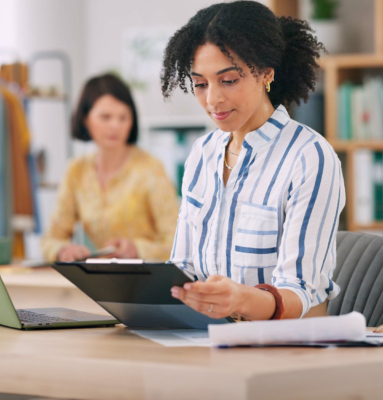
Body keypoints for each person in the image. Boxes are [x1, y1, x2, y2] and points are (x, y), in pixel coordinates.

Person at [163, 1, 345, 320]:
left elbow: (301, 291)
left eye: (228, 80)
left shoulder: (309, 157)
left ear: (265, 74)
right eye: (200, 84)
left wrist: (241, 300)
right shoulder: (202, 153)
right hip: (207, 337)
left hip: (286, 347)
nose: (212, 99)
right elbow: (183, 268)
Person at [42, 74, 179, 262]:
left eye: (123, 117)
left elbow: (178, 242)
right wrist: (63, 250)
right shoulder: (77, 170)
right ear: (85, 119)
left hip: (148, 280)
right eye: (105, 117)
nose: (115, 125)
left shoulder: (151, 169)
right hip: (100, 282)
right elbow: (51, 238)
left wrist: (137, 249)